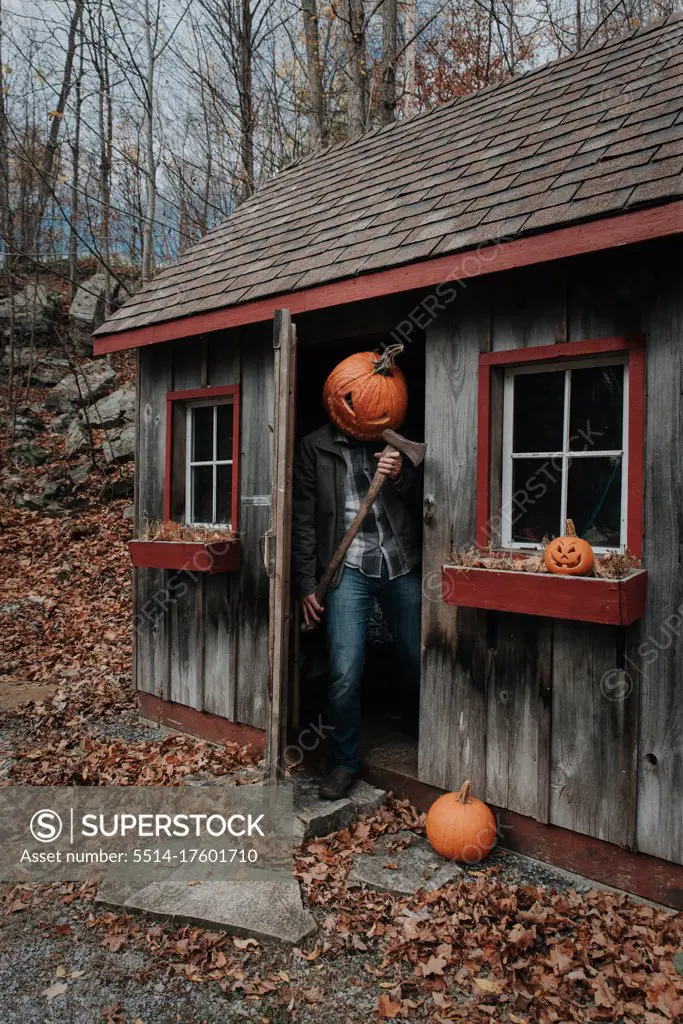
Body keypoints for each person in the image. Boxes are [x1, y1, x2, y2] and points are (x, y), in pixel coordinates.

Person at [292, 411, 423, 800]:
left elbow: (426, 498)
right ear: (337, 405)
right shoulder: (314, 447)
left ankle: (415, 724)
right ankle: (345, 760)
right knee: (345, 670)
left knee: (418, 656)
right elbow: (302, 521)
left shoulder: (392, 439)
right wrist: (306, 585)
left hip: (400, 560)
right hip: (348, 566)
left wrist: (400, 475)